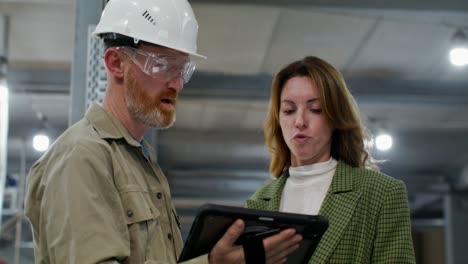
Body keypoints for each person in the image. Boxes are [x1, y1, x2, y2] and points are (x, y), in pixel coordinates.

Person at [24, 0, 302, 263]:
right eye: (162, 65)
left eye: (182, 69)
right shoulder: (82, 157)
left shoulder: (140, 163)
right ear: (115, 63)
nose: (177, 84)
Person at [246, 56, 416, 263]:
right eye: (289, 111)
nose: (299, 121)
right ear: (278, 120)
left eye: (315, 109)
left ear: (336, 117)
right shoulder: (258, 202)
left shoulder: (381, 193)